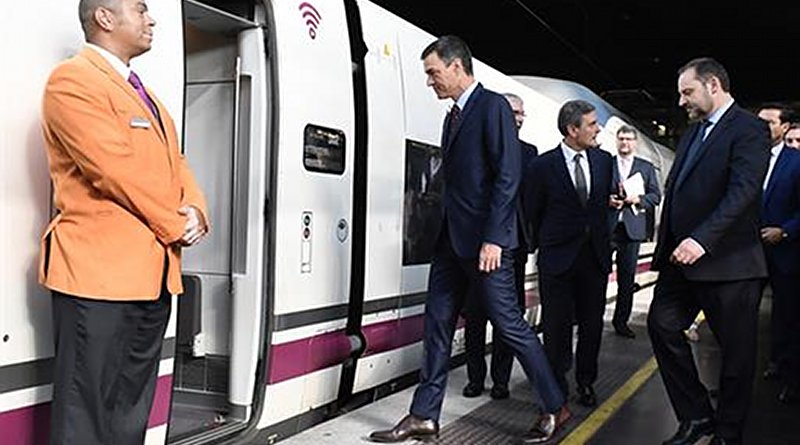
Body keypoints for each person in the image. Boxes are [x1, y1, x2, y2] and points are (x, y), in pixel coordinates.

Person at [368, 35, 569, 444]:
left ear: (457, 66)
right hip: (451, 243)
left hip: (486, 246)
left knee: (509, 326)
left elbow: (508, 176)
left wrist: (495, 238)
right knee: (437, 326)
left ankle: (554, 405)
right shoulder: (453, 116)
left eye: (433, 73)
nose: (430, 82)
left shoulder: (492, 106)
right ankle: (424, 416)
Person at [40, 1, 209, 443]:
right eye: (141, 10)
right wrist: (177, 224)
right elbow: (113, 170)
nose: (151, 20)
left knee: (129, 414)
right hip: (98, 281)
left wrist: (197, 209)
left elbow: (177, 162)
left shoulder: (144, 94)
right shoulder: (73, 81)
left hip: (151, 280)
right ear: (105, 18)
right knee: (86, 415)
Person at [648, 57, 770, 445]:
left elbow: (743, 192)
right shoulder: (693, 132)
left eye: (688, 92)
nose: (682, 101)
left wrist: (701, 239)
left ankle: (728, 434)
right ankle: (697, 415)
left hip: (728, 264)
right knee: (662, 325)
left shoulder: (749, 130)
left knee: (736, 357)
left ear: (713, 84)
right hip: (681, 264)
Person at [524, 99, 614, 409]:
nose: (597, 129)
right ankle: (556, 386)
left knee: (592, 325)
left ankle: (586, 382)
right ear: (572, 129)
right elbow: (530, 213)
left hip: (596, 258)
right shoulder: (541, 166)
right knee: (556, 327)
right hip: (557, 260)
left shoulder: (605, 161)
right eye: (591, 124)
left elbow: (603, 208)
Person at [461, 92, 538, 401]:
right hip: (476, 243)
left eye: (521, 113)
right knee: (475, 314)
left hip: (513, 245)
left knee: (509, 315)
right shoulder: (479, 145)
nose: (519, 117)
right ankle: (475, 378)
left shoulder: (530, 152)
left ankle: (502, 380)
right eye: (514, 112)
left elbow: (533, 199)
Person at [756, 103, 800, 402]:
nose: (762, 128)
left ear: (784, 127)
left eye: (769, 122)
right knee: (740, 315)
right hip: (749, 252)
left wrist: (783, 231)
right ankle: (741, 376)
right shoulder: (748, 158)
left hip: (785, 252)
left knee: (787, 316)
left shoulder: (797, 162)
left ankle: (789, 376)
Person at [608, 125, 661, 338]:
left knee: (627, 279)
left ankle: (621, 322)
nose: (625, 143)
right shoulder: (606, 164)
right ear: (616, 141)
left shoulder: (645, 167)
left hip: (631, 230)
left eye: (629, 139)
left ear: (635, 143)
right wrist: (607, 200)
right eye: (621, 139)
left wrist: (638, 199)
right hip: (608, 227)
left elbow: (655, 196)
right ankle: (588, 317)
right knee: (595, 275)